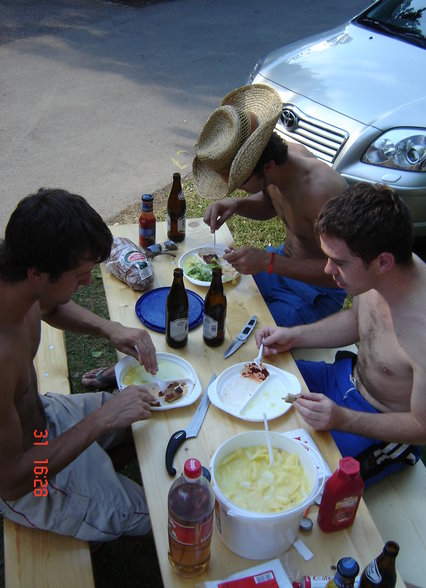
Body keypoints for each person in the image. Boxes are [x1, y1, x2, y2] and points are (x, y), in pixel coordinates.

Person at [0, 188, 159, 541]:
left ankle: (100, 466)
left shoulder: (17, 280)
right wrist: (102, 420)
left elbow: (50, 307)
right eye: (80, 274)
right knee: (165, 512)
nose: (88, 281)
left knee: (152, 407)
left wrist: (111, 329)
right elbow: (12, 481)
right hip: (35, 481)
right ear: (37, 274)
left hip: (43, 419)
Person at [256, 183, 426, 486]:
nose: (328, 270)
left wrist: (343, 419)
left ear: (383, 262)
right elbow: (357, 321)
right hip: (342, 379)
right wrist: (294, 335)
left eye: (339, 262)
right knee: (254, 381)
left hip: (378, 426)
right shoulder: (379, 274)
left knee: (301, 482)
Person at [194, 84, 348, 327]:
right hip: (279, 268)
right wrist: (237, 204)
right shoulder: (279, 168)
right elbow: (274, 205)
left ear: (267, 167)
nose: (238, 188)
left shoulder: (323, 193)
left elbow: (342, 273)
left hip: (317, 293)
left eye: (240, 182)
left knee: (246, 329)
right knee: (217, 301)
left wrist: (268, 262)